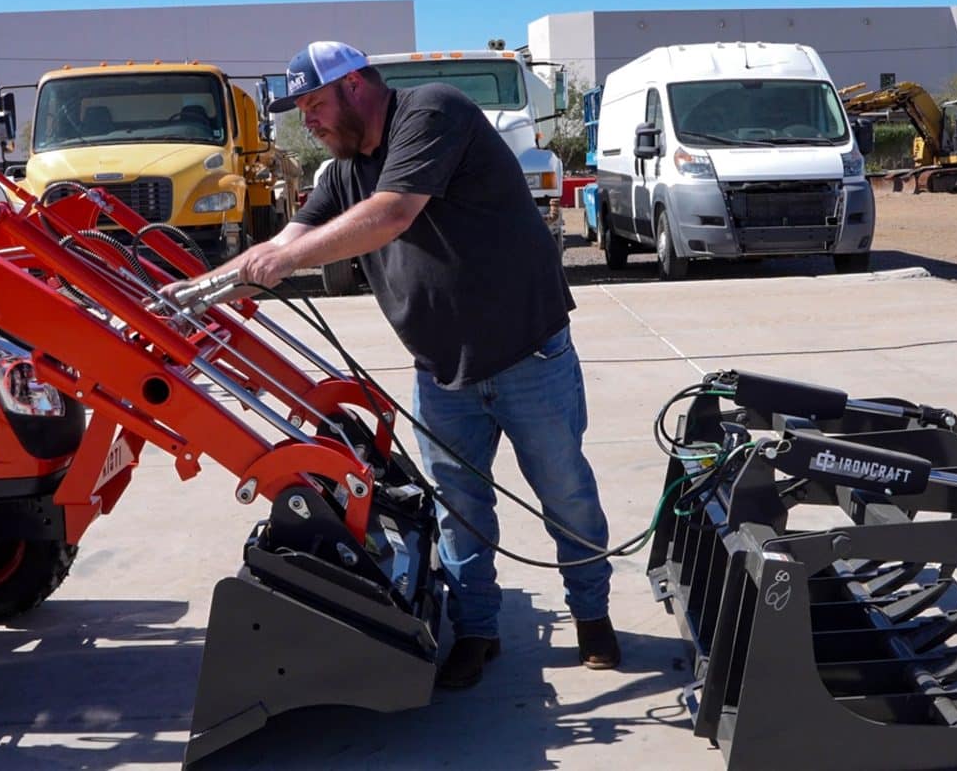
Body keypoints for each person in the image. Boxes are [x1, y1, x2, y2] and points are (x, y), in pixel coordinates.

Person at [167, 40, 618, 689]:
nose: (310, 121)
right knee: (459, 511)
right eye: (301, 110)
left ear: (355, 87)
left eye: (315, 104)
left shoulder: (433, 112)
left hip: (529, 357)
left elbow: (393, 212)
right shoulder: (345, 170)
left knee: (565, 496)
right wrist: (192, 296)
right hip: (441, 373)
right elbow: (283, 243)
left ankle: (593, 619)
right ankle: (478, 633)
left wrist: (282, 264)